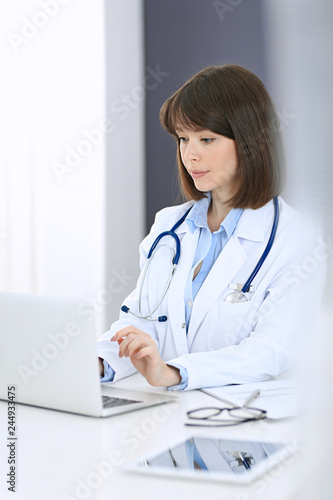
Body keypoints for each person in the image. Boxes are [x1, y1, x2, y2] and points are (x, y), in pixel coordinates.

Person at [96, 64, 321, 391]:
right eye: (183, 139)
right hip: (168, 413)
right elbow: (141, 321)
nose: (190, 155)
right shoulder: (169, 226)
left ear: (250, 141)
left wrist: (174, 372)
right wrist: (98, 362)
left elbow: (272, 349)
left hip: (244, 424)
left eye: (206, 138)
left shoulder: (297, 238)